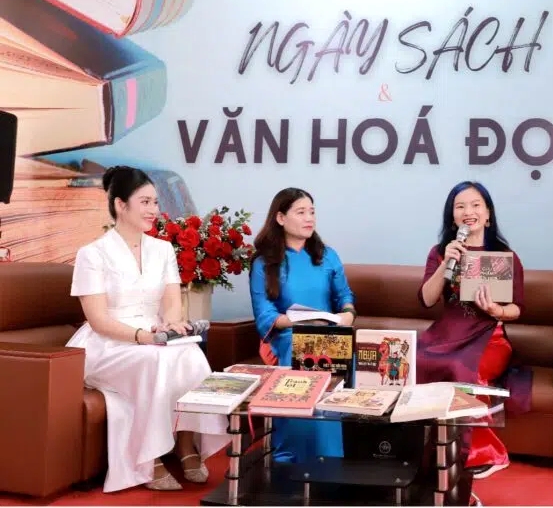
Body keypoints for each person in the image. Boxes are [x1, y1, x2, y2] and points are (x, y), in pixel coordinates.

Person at [66, 166, 230, 493]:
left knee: (191, 356)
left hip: (153, 335)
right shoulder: (92, 254)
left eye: (155, 202)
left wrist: (170, 324)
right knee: (154, 363)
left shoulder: (162, 249)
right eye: (144, 202)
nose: (153, 209)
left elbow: (171, 302)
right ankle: (149, 459)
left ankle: (185, 445)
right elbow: (98, 320)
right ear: (120, 205)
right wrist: (143, 337)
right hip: (106, 343)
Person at [416, 181, 529, 480]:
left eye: (476, 205)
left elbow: (517, 308)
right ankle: (422, 450)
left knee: (461, 368)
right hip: (446, 334)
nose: (469, 211)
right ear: (452, 216)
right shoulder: (440, 253)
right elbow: (427, 299)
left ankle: (482, 453)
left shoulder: (503, 255)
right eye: (460, 206)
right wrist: (446, 263)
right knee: (414, 361)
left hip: (489, 337)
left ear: (488, 214)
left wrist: (497, 311)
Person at [249, 187, 356, 463]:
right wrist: (299, 320)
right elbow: (265, 315)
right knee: (307, 349)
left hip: (330, 334)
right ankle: (291, 457)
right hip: (287, 335)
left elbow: (344, 296)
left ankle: (332, 457)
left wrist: (347, 315)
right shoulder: (264, 262)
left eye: (312, 212)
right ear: (280, 218)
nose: (309, 218)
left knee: (338, 349)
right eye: (301, 212)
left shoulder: (327, 255)